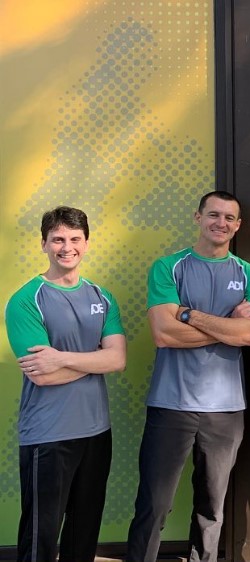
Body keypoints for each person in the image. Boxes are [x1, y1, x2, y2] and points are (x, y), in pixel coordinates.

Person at [126, 191, 250, 562]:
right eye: (213, 215)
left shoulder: (249, 275)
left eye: (229, 218)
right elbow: (163, 333)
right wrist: (230, 325)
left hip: (226, 411)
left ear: (238, 225)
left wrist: (188, 314)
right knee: (154, 505)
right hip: (170, 405)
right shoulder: (168, 267)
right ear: (198, 217)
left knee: (212, 509)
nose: (221, 223)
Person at [5, 206, 126, 562]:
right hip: (48, 435)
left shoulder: (102, 298)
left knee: (83, 534)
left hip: (96, 432)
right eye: (58, 239)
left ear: (86, 243)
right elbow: (43, 374)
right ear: (44, 244)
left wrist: (62, 357)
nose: (67, 247)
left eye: (75, 239)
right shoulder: (26, 300)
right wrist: (96, 359)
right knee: (40, 538)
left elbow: (118, 360)